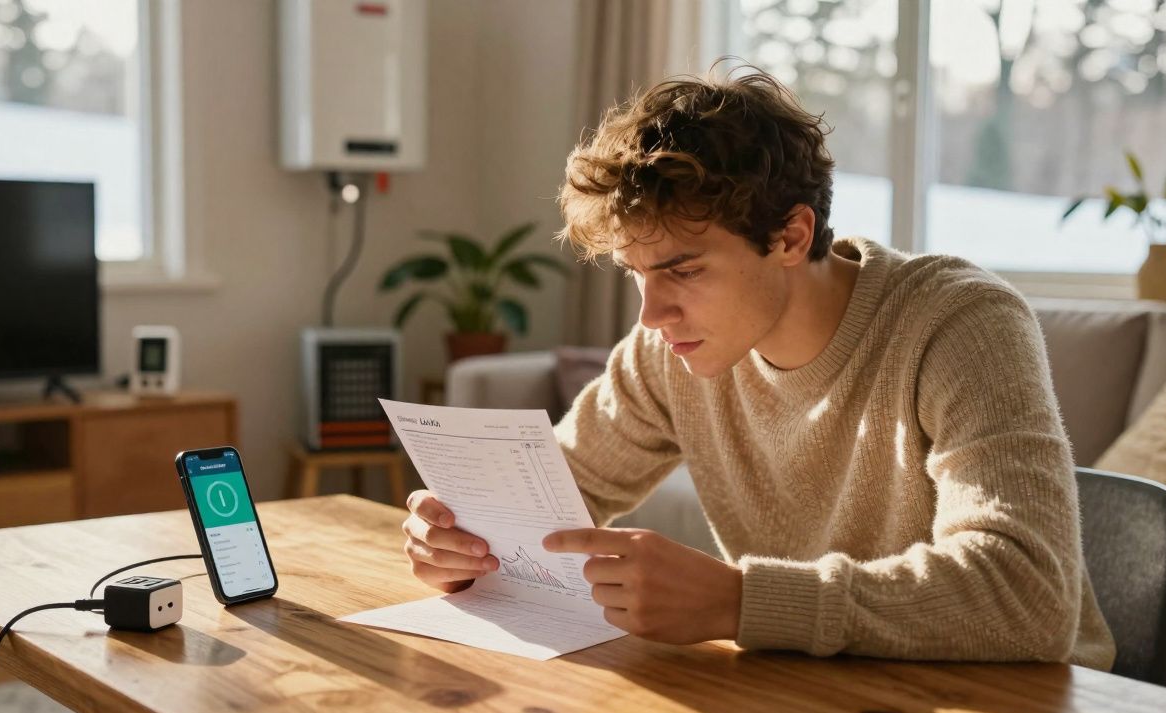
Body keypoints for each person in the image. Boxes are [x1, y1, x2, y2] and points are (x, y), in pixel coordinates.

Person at [400, 67, 1115, 669]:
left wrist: (741, 602)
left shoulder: (958, 324)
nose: (652, 314)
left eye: (681, 269)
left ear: (790, 235)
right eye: (635, 273)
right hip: (815, 693)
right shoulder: (669, 354)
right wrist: (463, 538)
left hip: (1026, 707)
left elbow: (1028, 594)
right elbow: (554, 494)